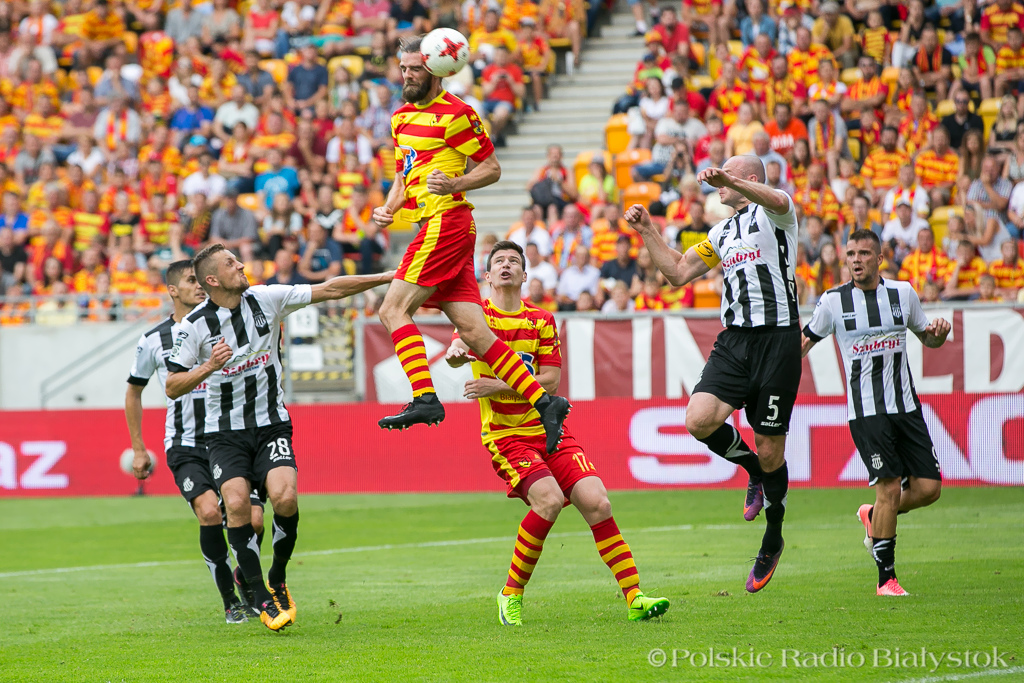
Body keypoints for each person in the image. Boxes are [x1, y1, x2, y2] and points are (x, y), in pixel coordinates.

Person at [165, 244, 394, 631]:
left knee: (285, 497)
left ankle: (278, 577)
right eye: (231, 264)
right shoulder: (193, 326)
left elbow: (331, 289)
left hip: (271, 422)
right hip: (223, 433)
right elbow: (172, 385)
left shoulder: (265, 298)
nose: (241, 265)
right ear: (212, 280)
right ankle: (259, 595)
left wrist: (387, 276)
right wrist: (209, 366)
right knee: (237, 505)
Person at [444, 240, 669, 625]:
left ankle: (635, 597)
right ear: (488, 275)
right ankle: (510, 594)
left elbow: (550, 381)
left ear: (525, 275)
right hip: (506, 435)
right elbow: (457, 347)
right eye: (499, 261)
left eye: (513, 261)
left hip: (549, 429)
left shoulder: (542, 320)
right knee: (547, 501)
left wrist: (497, 385)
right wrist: (454, 355)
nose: (506, 265)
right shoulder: (477, 316)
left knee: (598, 503)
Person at [371, 37, 570, 452]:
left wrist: (455, 183)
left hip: (446, 222)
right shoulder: (400, 118)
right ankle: (545, 402)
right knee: (476, 333)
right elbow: (404, 174)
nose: (407, 76)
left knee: (391, 309)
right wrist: (389, 207)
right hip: (438, 226)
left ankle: (425, 397)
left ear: (436, 70)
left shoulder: (458, 114)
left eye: (415, 69)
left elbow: (492, 168)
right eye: (403, 68)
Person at [625, 154, 801, 593]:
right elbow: (677, 272)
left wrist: (732, 182)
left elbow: (777, 198)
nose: (719, 182)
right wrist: (648, 230)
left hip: (778, 340)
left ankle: (773, 535)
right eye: (720, 176)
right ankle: (753, 471)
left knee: (771, 450)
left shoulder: (777, 214)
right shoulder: (721, 233)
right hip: (735, 341)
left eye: (729, 174)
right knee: (698, 420)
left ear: (750, 179)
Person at [801, 229, 949, 596]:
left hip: (906, 406)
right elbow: (802, 343)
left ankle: (873, 516)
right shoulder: (833, 301)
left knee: (929, 489)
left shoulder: (903, 293)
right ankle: (886, 580)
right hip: (867, 412)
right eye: (851, 253)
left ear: (879, 259)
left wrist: (938, 334)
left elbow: (927, 338)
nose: (856, 260)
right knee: (889, 488)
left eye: (865, 253)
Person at [126, 260, 266, 623]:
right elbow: (134, 391)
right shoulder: (154, 340)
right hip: (186, 442)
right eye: (191, 280)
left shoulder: (227, 322)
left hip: (231, 435)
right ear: (173, 290)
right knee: (209, 512)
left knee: (254, 520)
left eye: (201, 279)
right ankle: (230, 600)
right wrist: (139, 448)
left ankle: (245, 577)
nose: (199, 285)